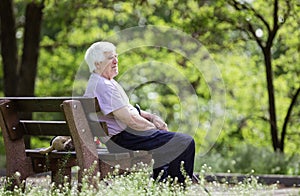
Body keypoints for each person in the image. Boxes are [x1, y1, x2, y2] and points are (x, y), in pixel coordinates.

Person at [84, 41, 196, 184]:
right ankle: (175, 190)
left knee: (168, 145)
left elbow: (127, 109)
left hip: (123, 137)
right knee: (185, 142)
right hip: (125, 138)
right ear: (97, 63)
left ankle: (163, 188)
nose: (116, 61)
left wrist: (152, 117)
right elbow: (131, 120)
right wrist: (155, 129)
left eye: (116, 57)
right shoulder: (104, 86)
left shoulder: (102, 82)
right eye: (110, 58)